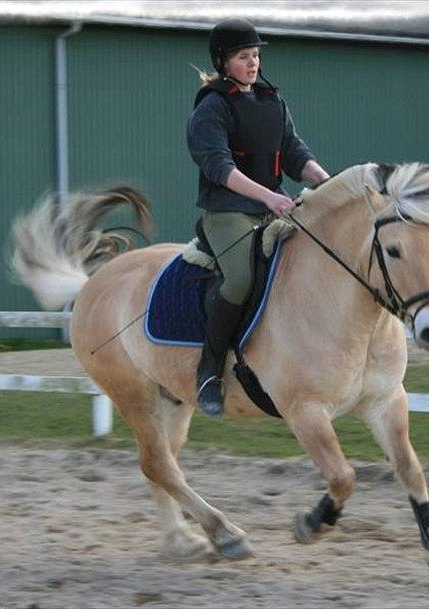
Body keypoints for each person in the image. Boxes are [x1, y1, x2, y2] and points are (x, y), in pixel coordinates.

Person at [187, 18, 329, 417]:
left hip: (271, 206)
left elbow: (295, 151)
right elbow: (220, 168)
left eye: (256, 55)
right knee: (241, 278)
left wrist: (326, 181)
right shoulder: (211, 108)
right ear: (222, 61)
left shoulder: (272, 101)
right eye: (243, 57)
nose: (253, 63)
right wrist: (270, 197)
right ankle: (209, 371)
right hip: (228, 212)